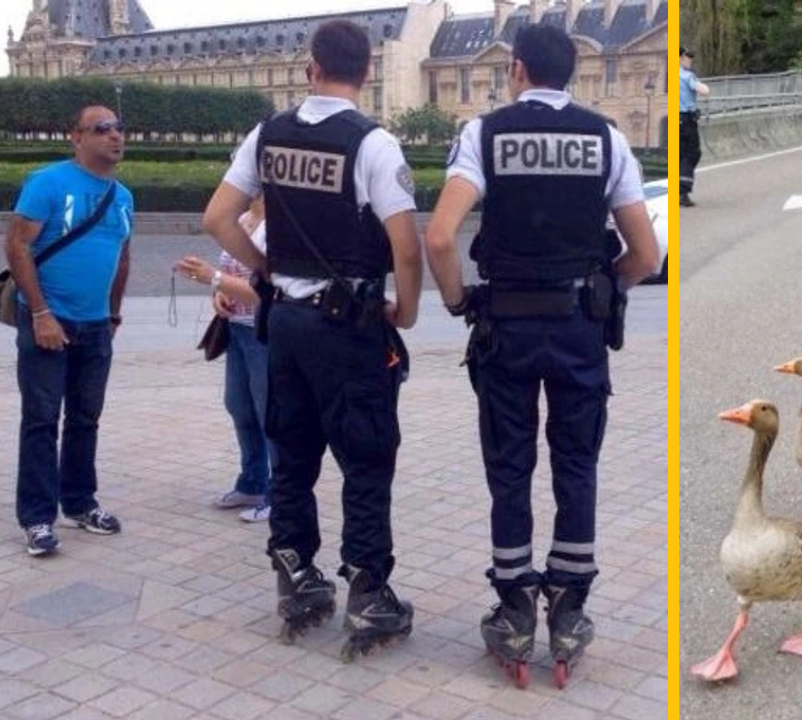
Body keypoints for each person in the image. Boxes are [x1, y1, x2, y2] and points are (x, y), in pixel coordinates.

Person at [423, 22, 660, 689]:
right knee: (576, 465)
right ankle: (571, 606)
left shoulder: (484, 135)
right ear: (572, 70)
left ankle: (514, 605)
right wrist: (603, 289)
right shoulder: (606, 138)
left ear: (517, 70)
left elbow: (440, 237)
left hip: (506, 330)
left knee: (510, 468)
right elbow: (647, 254)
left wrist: (457, 302)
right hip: (580, 329)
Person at [200, 18, 423, 661]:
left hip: (286, 324)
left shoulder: (267, 135)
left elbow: (218, 216)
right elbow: (405, 248)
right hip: (349, 327)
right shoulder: (374, 145)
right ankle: (369, 592)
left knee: (292, 456)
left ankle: (296, 579)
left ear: (310, 68)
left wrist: (268, 270)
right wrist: (403, 313)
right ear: (369, 72)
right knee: (367, 458)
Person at [4, 105, 133, 556]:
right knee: (41, 421)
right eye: (102, 129)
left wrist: (113, 315)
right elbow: (16, 245)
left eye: (119, 128)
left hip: (96, 324)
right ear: (75, 137)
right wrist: (40, 313)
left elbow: (122, 257)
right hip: (48, 319)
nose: (115, 135)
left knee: (85, 418)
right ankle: (38, 517)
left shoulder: (122, 196)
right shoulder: (49, 182)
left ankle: (80, 502)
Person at [173, 195, 273, 523]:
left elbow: (272, 292)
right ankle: (252, 482)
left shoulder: (282, 224)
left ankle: (279, 495)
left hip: (267, 333)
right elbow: (232, 275)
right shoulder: (241, 219)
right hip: (237, 330)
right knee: (239, 406)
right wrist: (218, 294)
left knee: (270, 414)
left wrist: (215, 278)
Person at [679, 46, 709, 207]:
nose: (690, 60)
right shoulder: (686, 76)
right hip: (685, 120)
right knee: (691, 154)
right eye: (687, 56)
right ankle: (682, 192)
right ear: (680, 57)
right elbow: (704, 90)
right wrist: (702, 86)